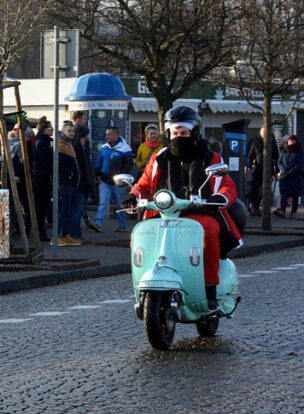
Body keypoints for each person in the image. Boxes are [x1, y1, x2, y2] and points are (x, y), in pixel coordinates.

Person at [125, 105, 241, 310]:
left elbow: (226, 184)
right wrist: (133, 195)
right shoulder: (159, 157)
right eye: (175, 133)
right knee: (140, 235)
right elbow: (144, 183)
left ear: (194, 132)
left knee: (209, 232)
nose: (179, 137)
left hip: (200, 211)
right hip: (163, 212)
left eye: (184, 133)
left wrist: (220, 197)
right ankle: (143, 283)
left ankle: (209, 286)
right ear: (168, 133)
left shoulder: (211, 157)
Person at [93, 126, 135, 232]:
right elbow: (99, 162)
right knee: (103, 202)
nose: (107, 137)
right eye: (106, 134)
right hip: (105, 180)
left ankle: (122, 225)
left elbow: (128, 164)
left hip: (118, 182)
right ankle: (98, 224)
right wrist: (97, 174)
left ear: (116, 135)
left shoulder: (125, 148)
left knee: (119, 203)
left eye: (109, 134)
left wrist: (121, 176)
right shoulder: (104, 148)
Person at [71, 110, 98, 232]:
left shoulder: (82, 146)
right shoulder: (77, 146)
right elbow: (82, 165)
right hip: (80, 182)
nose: (85, 122)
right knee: (77, 208)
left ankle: (77, 231)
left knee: (79, 208)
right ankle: (74, 233)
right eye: (83, 119)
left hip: (83, 181)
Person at [56, 121, 83, 245]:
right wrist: (70, 175)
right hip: (65, 182)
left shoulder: (69, 144)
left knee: (69, 209)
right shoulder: (61, 145)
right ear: (63, 132)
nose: (72, 133)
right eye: (69, 131)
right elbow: (59, 165)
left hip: (71, 183)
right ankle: (56, 236)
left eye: (73, 131)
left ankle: (65, 234)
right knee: (64, 209)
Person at [31, 116, 54, 242]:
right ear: (44, 129)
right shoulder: (41, 143)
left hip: (42, 177)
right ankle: (40, 233)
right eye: (50, 128)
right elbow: (46, 162)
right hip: (41, 178)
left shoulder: (42, 142)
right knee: (41, 206)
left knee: (43, 206)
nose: (52, 131)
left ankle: (41, 232)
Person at [247, 126, 279, 216]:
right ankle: (256, 207)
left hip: (268, 170)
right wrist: (248, 166)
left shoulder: (272, 143)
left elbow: (276, 158)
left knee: (265, 191)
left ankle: (262, 208)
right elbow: (251, 156)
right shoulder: (256, 142)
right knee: (255, 190)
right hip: (258, 169)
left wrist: (276, 171)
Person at [275, 134, 303, 219]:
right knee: (283, 194)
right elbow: (279, 162)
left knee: (295, 195)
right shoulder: (284, 151)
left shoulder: (300, 152)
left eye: (293, 141)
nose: (291, 143)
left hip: (295, 177)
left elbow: (300, 164)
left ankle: (293, 212)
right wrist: (283, 171)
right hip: (285, 177)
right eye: (290, 141)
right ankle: (282, 211)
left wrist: (291, 172)